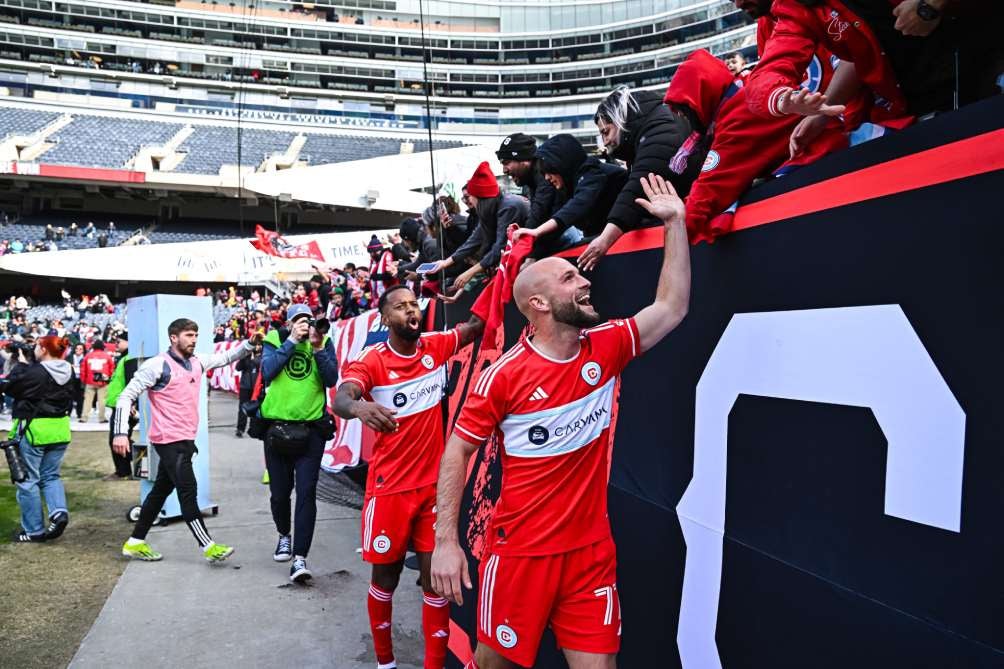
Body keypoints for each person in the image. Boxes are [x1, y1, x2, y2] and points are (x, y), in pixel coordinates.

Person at [432, 173, 691, 669]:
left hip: (591, 554)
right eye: (569, 278)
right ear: (539, 304)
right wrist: (447, 540)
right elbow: (458, 449)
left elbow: (672, 307)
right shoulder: (503, 377)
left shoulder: (608, 344)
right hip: (519, 555)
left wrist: (675, 224)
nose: (586, 280)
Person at [334, 285, 485, 669]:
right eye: (400, 307)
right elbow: (342, 397)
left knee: (436, 584)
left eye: (414, 304)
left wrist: (492, 274)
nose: (411, 311)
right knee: (386, 580)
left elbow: (475, 326)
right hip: (389, 491)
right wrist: (360, 407)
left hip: (433, 490)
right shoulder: (372, 361)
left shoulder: (435, 346)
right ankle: (386, 663)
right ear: (386, 319)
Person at [113, 319, 262, 563]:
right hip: (168, 439)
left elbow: (226, 358)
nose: (194, 339)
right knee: (188, 491)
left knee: (160, 491)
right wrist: (120, 432)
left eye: (196, 335)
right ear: (174, 337)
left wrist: (248, 344)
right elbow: (125, 396)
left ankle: (135, 542)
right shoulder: (157, 365)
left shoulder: (197, 362)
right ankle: (209, 546)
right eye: (189, 335)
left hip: (185, 439)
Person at [578, 87, 702, 271]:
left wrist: (604, 240)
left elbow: (638, 187)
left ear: (621, 121)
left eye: (606, 132)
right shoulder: (655, 123)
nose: (605, 142)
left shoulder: (660, 128)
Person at [258, 304, 339, 582]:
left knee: (306, 493)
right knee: (280, 494)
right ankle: (284, 535)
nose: (306, 326)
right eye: (300, 321)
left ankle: (300, 558)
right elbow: (267, 371)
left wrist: (316, 349)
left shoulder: (324, 341)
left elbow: (331, 379)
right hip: (277, 429)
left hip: (311, 431)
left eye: (309, 321)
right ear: (290, 322)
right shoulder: (275, 338)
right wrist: (292, 340)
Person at [5, 335, 74, 542]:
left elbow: (11, 388)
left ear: (43, 349)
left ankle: (33, 530)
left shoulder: (34, 372)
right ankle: (58, 512)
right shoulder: (68, 370)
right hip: (60, 430)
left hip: (34, 431)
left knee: (28, 481)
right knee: (51, 476)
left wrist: (21, 365)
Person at [427, 162, 529, 293]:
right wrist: (445, 262)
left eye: (469, 197)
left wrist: (469, 273)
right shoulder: (493, 209)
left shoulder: (509, 207)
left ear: (479, 198)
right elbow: (474, 240)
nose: (468, 202)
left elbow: (499, 248)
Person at [514, 133, 628, 246]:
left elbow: (576, 206)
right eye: (543, 173)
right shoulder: (566, 187)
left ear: (561, 165)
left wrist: (536, 232)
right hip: (602, 234)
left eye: (549, 171)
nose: (547, 177)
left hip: (629, 232)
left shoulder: (592, 174)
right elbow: (557, 220)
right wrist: (529, 251)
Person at [495, 133, 561, 234]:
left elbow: (537, 216)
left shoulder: (543, 175)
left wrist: (521, 237)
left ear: (524, 160)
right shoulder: (530, 178)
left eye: (506, 162)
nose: (504, 170)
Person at [104, 334, 137, 480]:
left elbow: (132, 382)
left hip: (125, 406)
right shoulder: (124, 357)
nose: (116, 344)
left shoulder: (129, 358)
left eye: (119, 341)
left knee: (116, 438)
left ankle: (123, 471)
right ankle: (127, 467)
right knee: (120, 438)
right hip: (121, 404)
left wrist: (132, 403)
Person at [80, 339, 114, 423]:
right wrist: (109, 379)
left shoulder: (88, 356)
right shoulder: (107, 356)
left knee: (87, 400)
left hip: (90, 381)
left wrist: (83, 380)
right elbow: (111, 369)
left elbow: (83, 369)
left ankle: (84, 417)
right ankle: (101, 418)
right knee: (102, 400)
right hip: (102, 381)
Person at [234, 342, 262, 438]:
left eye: (259, 345)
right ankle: (240, 429)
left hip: (256, 387)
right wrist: (244, 357)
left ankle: (253, 428)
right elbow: (238, 368)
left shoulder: (263, 357)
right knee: (242, 408)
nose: (257, 346)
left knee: (255, 407)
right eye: (256, 345)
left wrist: (253, 358)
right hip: (245, 386)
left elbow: (259, 364)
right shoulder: (247, 357)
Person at [367, 236, 399, 302]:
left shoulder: (387, 256)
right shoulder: (374, 262)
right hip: (378, 299)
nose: (371, 255)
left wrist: (372, 276)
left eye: (372, 253)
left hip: (390, 295)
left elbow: (390, 275)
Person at [68, 342, 86, 420]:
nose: (78, 350)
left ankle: (80, 413)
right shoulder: (70, 357)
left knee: (81, 397)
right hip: (72, 379)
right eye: (77, 348)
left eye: (80, 349)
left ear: (83, 350)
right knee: (70, 396)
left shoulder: (85, 357)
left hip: (81, 380)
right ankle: (68, 412)